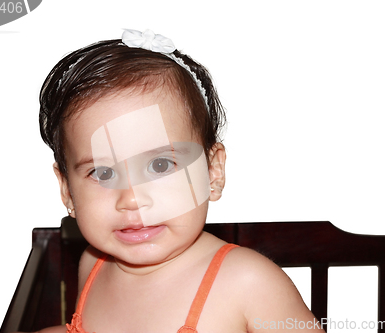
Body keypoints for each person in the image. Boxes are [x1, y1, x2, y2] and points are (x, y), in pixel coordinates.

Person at [29, 29, 323, 333]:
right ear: (67, 192)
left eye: (159, 165)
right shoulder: (93, 265)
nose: (131, 199)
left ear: (212, 172)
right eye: (103, 173)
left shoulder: (248, 282)